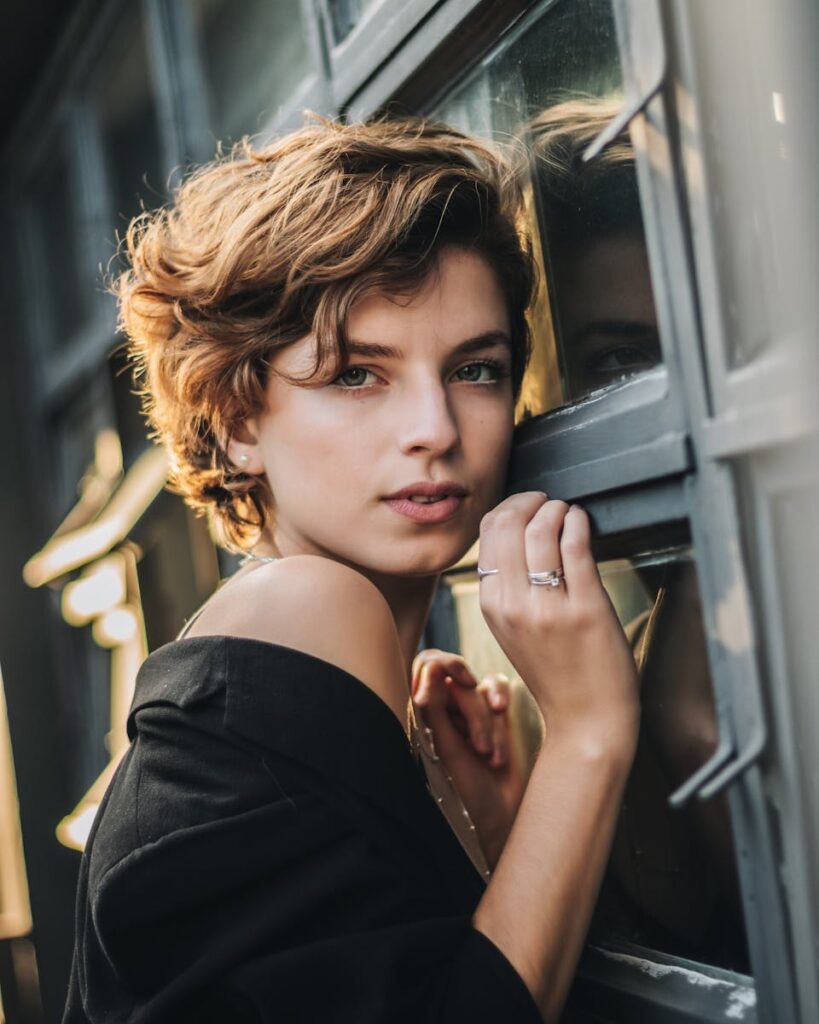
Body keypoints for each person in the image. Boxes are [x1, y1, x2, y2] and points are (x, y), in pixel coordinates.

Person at [62, 113, 640, 1023]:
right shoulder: (308, 605)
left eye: (476, 370)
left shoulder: (339, 682)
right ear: (235, 420)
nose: (436, 430)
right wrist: (589, 732)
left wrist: (486, 831)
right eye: (356, 375)